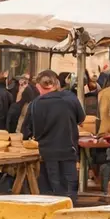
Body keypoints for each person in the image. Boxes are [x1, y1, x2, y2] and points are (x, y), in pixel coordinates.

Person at [22, 69, 84, 198]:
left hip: (46, 154)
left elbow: (26, 130)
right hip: (69, 150)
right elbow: (81, 118)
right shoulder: (70, 98)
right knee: (69, 192)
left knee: (51, 193)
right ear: (56, 84)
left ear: (38, 86)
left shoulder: (35, 104)